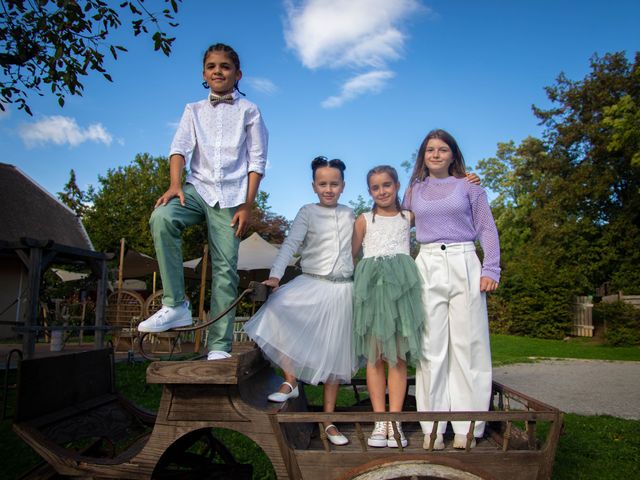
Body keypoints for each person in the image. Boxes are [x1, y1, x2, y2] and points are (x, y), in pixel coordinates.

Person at [137, 43, 268, 362]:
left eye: (225, 66)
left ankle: (219, 347)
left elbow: (257, 160)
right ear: (204, 74)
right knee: (162, 218)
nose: (218, 71)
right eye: (211, 66)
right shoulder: (192, 110)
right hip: (196, 190)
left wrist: (247, 205)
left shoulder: (249, 111)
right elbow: (179, 148)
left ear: (238, 74)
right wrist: (174, 184)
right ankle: (175, 304)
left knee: (225, 269)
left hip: (233, 198)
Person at [244, 156, 356, 446]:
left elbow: (359, 251)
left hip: (343, 290)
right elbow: (289, 246)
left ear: (343, 186)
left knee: (335, 357)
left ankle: (329, 422)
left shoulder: (350, 214)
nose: (328, 189)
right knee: (276, 308)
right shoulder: (307, 212)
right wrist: (275, 277)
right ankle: (291, 379)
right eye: (323, 184)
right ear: (314, 186)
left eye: (334, 184)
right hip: (311, 283)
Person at [403, 129, 500, 450]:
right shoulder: (414, 190)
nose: (435, 154)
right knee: (431, 349)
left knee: (468, 345)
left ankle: (467, 428)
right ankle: (432, 428)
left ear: (453, 155)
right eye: (430, 149)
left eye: (442, 149)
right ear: (423, 156)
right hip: (427, 263)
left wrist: (491, 268)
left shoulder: (469, 186)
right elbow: (400, 225)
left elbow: (487, 228)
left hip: (464, 261)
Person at [351, 165, 424, 448]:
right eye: (375, 187)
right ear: (369, 191)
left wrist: (462, 180)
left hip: (401, 296)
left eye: (387, 185)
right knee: (375, 356)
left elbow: (439, 209)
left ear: (396, 186)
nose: (382, 191)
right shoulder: (364, 219)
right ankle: (379, 421)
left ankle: (396, 422)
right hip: (372, 295)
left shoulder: (409, 217)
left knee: (397, 357)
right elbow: (351, 255)